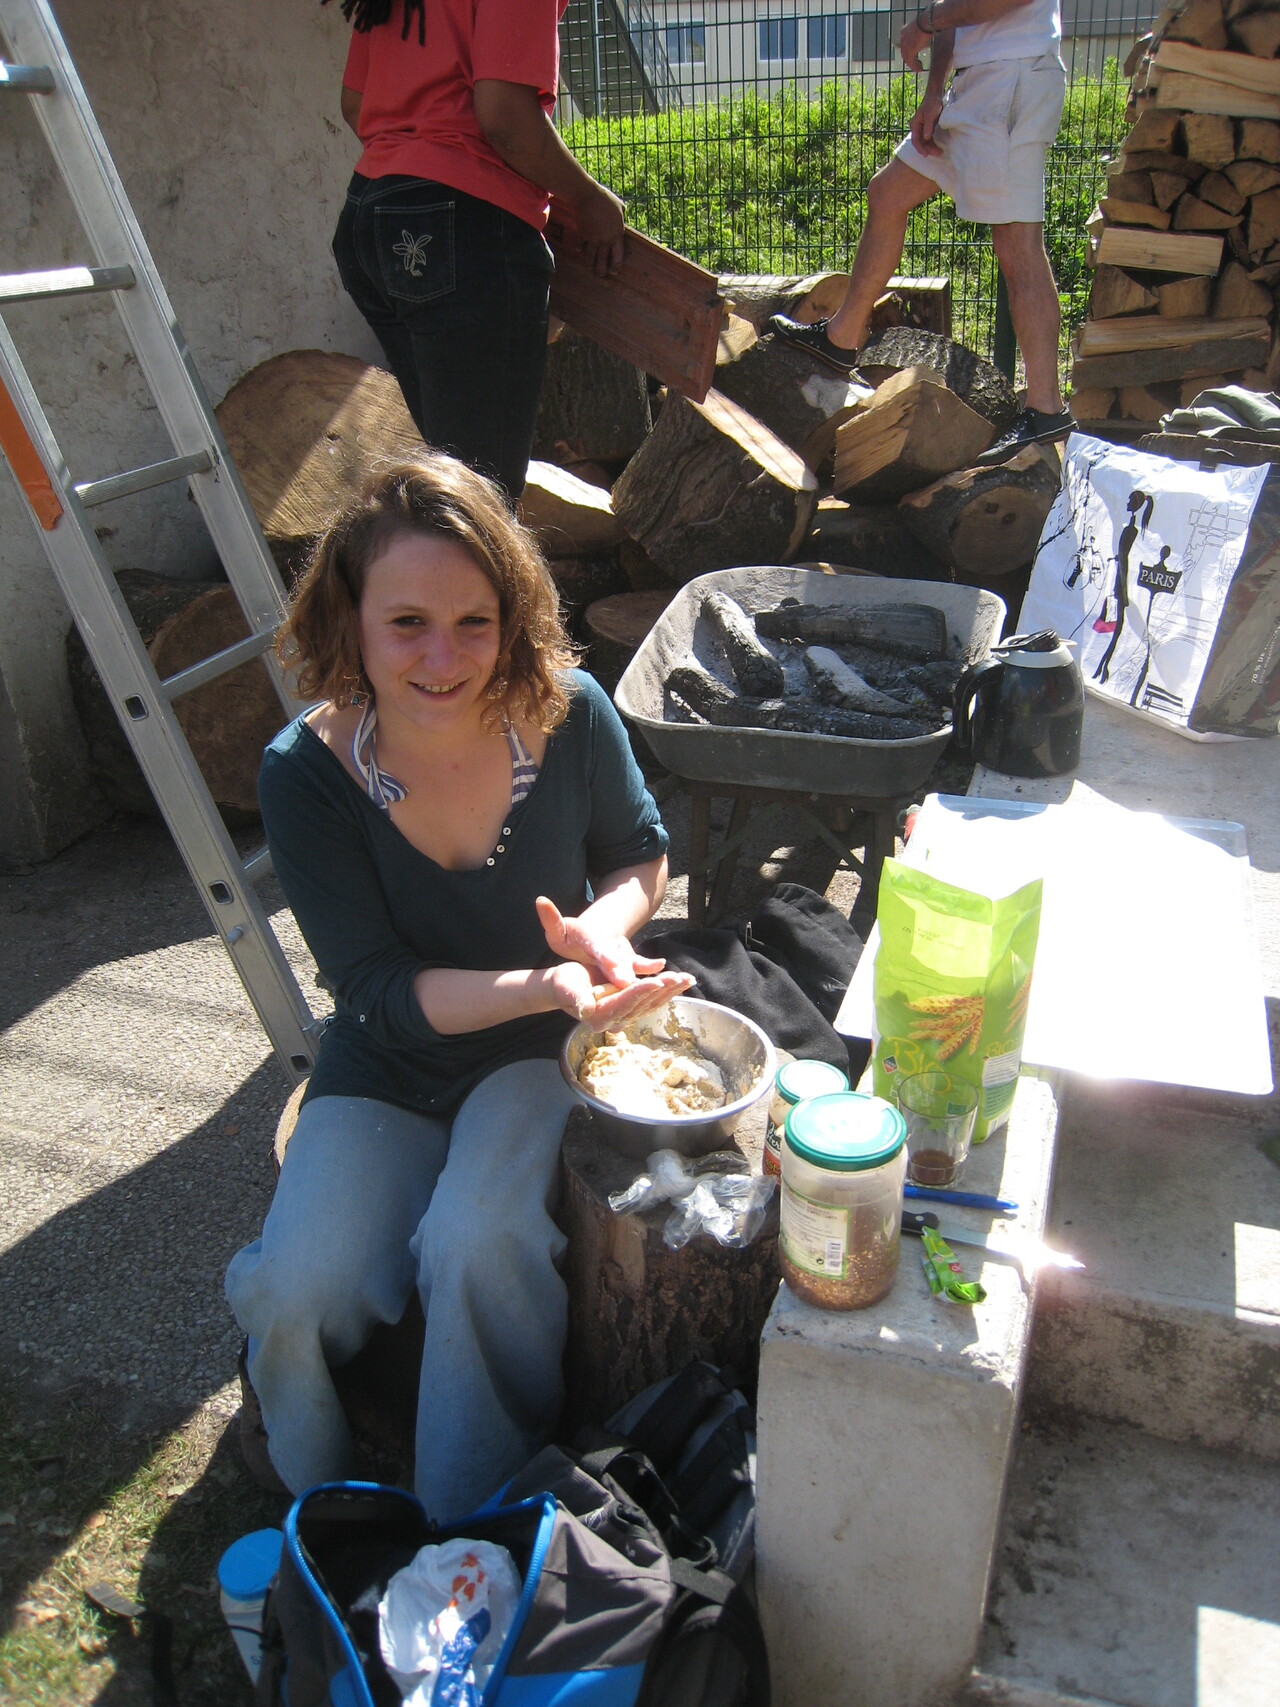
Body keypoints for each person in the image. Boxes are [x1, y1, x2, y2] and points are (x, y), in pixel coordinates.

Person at [225, 453, 692, 1513]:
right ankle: (316, 1495)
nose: (443, 658)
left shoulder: (570, 713)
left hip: (534, 1051)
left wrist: (598, 933)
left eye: (473, 621)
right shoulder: (305, 773)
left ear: (512, 614)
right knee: (299, 1293)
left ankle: (466, 1512)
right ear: (349, 621)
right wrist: (546, 981)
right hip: (390, 1057)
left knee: (480, 1244)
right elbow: (377, 990)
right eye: (407, 624)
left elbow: (639, 853)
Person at [325, 0, 626, 499]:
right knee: (480, 497)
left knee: (452, 477)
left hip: (370, 217)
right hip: (463, 226)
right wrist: (588, 199)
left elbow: (356, 102)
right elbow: (504, 115)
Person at [770, 0, 1074, 467]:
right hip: (973, 86)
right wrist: (934, 93)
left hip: (1014, 77)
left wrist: (926, 23)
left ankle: (1046, 409)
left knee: (1018, 246)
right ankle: (841, 339)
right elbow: (954, 9)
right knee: (888, 193)